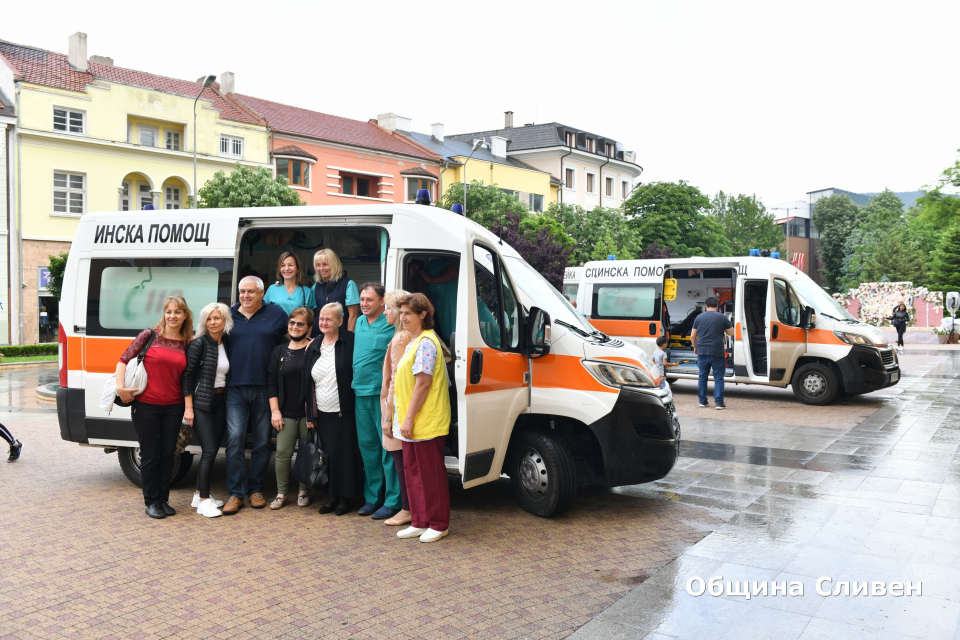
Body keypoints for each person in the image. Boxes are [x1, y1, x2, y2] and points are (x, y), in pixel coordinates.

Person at [116, 296, 192, 519]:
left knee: (168, 454)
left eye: (178, 312)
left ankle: (163, 499)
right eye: (169, 312)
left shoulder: (187, 342)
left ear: (185, 315)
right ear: (164, 314)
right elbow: (123, 360)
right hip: (146, 405)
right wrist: (121, 388)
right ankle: (151, 501)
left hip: (173, 406)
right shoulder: (149, 336)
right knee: (150, 454)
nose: (172, 316)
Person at [223, 276, 289, 515]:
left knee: (262, 443)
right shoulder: (229, 315)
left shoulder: (276, 313)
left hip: (266, 389)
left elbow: (293, 336)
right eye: (242, 291)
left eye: (251, 291)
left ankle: (256, 490)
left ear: (262, 293)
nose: (246, 296)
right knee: (235, 440)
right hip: (236, 389)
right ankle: (235, 493)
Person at [393, 293, 452, 543]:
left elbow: (423, 384)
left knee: (431, 475)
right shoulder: (414, 341)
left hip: (425, 421)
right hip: (412, 421)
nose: (403, 317)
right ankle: (418, 520)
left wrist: (408, 419)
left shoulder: (427, 342)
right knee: (413, 473)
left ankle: (438, 523)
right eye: (402, 313)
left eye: (408, 313)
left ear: (423, 315)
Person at [303, 303, 361, 516]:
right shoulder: (315, 344)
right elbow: (306, 380)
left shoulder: (350, 341)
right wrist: (310, 413)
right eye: (321, 319)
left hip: (345, 410)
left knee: (344, 455)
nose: (324, 323)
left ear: (340, 321)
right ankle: (331, 497)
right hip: (322, 412)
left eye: (329, 319)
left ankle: (345, 499)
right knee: (327, 456)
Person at [353, 284, 403, 520]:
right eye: (362, 299)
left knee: (388, 448)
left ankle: (393, 501)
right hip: (359, 393)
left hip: (380, 395)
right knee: (368, 449)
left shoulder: (391, 323)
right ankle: (373, 497)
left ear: (382, 302)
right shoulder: (360, 322)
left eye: (369, 300)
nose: (364, 303)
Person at [182, 302, 233, 518]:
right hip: (202, 404)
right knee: (210, 450)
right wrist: (189, 407)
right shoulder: (199, 344)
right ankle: (203, 501)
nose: (213, 322)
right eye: (209, 319)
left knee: (213, 450)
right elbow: (187, 376)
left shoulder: (227, 342)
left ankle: (198, 495)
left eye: (217, 318)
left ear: (225, 321)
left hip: (221, 402)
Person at [267, 306, 315, 509]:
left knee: (307, 452)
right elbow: (271, 382)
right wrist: (275, 411)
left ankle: (303, 492)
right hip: (284, 412)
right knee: (283, 454)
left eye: (300, 323)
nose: (295, 327)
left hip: (307, 414)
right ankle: (281, 493)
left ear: (309, 328)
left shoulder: (314, 349)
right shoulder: (279, 350)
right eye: (292, 322)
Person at [380, 289, 412, 526]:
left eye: (389, 308)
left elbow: (396, 381)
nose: (385, 312)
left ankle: (407, 508)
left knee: (401, 461)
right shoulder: (407, 336)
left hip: (397, 407)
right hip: (402, 406)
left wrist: (388, 416)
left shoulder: (400, 339)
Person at [691, 296, 734, 410]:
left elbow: (692, 335)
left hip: (702, 350)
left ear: (706, 305)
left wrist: (695, 347)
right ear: (717, 305)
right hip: (717, 351)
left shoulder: (699, 317)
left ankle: (702, 401)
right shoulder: (722, 317)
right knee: (719, 377)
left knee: (702, 376)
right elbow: (732, 333)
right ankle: (719, 403)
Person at [411, 258, 458, 345]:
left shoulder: (433, 265)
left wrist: (432, 279)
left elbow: (454, 271)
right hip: (450, 338)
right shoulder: (427, 291)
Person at [312, 249, 359, 334]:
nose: (321, 268)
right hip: (318, 336)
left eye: (325, 264)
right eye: (318, 265)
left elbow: (353, 315)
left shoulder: (348, 284)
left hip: (341, 335)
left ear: (334, 264)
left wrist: (348, 338)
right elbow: (312, 315)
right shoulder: (315, 287)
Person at [264, 252, 316, 316]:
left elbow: (310, 318)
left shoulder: (307, 292)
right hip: (276, 326)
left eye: (290, 265)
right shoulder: (272, 289)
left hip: (297, 326)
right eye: (283, 265)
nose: (286, 269)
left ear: (297, 269)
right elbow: (264, 314)